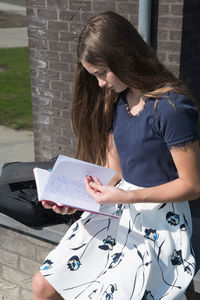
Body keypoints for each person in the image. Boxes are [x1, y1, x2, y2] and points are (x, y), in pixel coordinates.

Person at [32, 11, 200, 300]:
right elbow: (114, 170)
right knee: (43, 286)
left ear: (124, 56)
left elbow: (191, 185)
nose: (99, 84)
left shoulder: (171, 107)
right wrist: (72, 200)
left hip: (160, 223)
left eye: (100, 73)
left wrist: (126, 197)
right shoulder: (119, 102)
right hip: (120, 210)